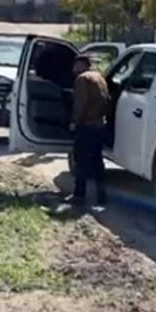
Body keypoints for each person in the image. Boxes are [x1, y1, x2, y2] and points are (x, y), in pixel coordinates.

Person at [68, 54, 110, 207]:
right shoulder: (99, 77)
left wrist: (74, 121)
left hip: (87, 125)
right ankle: (102, 197)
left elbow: (81, 103)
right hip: (100, 125)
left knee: (81, 161)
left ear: (81, 65)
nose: (73, 69)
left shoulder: (82, 79)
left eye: (75, 65)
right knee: (97, 161)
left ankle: (79, 196)